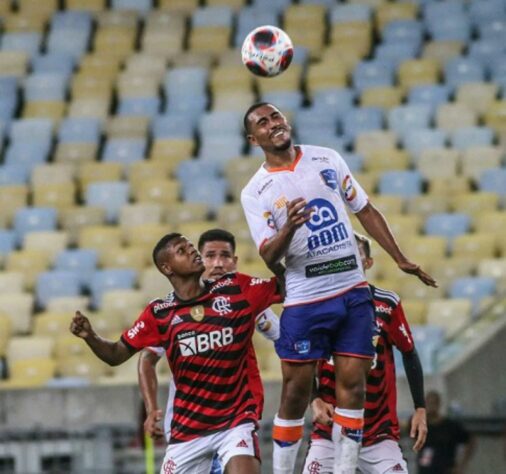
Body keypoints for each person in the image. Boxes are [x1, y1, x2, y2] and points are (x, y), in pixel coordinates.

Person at [240, 102, 437, 474]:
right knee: (296, 394)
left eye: (276, 116)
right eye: (263, 123)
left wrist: (398, 257)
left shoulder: (326, 158)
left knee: (353, 388)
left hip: (352, 292)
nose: (273, 124)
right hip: (304, 300)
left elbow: (364, 208)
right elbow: (269, 256)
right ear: (254, 139)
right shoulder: (255, 191)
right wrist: (290, 227)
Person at [70, 232, 283, 474]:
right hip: (187, 431)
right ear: (167, 268)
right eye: (182, 250)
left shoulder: (235, 288)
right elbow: (117, 354)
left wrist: (276, 255)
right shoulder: (159, 313)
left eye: (191, 246)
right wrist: (91, 337)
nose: (192, 251)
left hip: (234, 422)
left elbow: (286, 287)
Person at [138, 229, 280, 474]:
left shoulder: (246, 299)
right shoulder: (169, 312)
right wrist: (151, 410)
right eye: (210, 256)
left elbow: (288, 343)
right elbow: (147, 357)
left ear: (235, 262)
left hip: (236, 419)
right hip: (190, 424)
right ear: (199, 260)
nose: (217, 263)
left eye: (225, 256)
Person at [302, 232, 427, 474]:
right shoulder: (315, 304)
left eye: (355, 257)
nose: (347, 262)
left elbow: (409, 353)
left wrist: (420, 408)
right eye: (342, 256)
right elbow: (302, 359)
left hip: (377, 435)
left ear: (368, 263)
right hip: (329, 434)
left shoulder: (386, 304)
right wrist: (314, 399)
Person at [417, 390, 475, 474]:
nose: (431, 407)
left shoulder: (450, 426)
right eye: (428, 403)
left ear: (438, 404)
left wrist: (461, 466)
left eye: (433, 403)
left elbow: (470, 441)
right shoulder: (422, 426)